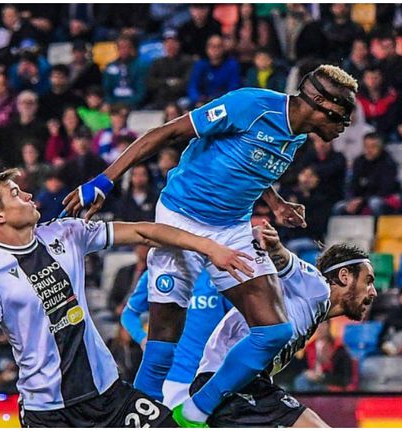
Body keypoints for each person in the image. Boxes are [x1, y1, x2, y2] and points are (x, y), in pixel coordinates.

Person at [61, 65, 359, 426]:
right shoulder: (250, 105)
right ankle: (137, 420)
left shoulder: (296, 136)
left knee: (274, 329)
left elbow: (250, 166)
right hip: (180, 216)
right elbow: (168, 132)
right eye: (343, 114)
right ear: (318, 102)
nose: (345, 125)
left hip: (232, 226)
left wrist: (276, 204)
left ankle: (195, 411)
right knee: (163, 337)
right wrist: (105, 181)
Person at [0, 169, 252, 427]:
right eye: (16, 194)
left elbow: (143, 232)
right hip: (49, 413)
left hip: (108, 394)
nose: (29, 194)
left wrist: (208, 247)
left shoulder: (66, 233)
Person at [179, 222, 376, 427]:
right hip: (230, 385)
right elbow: (285, 261)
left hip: (236, 384)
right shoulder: (317, 286)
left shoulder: (311, 313)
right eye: (368, 280)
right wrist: (274, 246)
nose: (373, 292)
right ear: (344, 276)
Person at [122, 269, 231, 407]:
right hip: (171, 378)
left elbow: (236, 318)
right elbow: (129, 314)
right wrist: (143, 339)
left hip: (211, 377)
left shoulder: (216, 272)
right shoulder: (156, 271)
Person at [333, 133, 401, 217]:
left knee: (375, 203)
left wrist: (363, 199)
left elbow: (385, 190)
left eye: (373, 147)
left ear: (381, 147)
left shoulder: (388, 163)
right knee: (338, 207)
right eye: (366, 146)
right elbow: (352, 184)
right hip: (360, 199)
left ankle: (376, 229)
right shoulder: (359, 161)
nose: (369, 150)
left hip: (381, 199)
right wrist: (351, 200)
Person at [293, 321, 354, 392]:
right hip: (311, 382)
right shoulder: (310, 348)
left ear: (328, 326)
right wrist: (308, 373)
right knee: (300, 380)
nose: (319, 328)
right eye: (317, 325)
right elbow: (302, 367)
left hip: (329, 384)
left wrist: (322, 377)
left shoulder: (339, 349)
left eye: (322, 325)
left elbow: (343, 379)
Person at [187, 35, 241, 106]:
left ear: (223, 48)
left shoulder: (232, 65)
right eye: (212, 46)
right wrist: (197, 100)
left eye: (219, 46)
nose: (215, 50)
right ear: (207, 48)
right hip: (202, 103)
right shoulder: (200, 64)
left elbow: (234, 88)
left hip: (224, 103)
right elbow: (192, 86)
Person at [146, 29, 194, 109]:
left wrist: (164, 84)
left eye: (173, 42)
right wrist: (167, 82)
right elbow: (150, 82)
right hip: (161, 100)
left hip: (181, 99)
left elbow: (187, 82)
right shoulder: (157, 63)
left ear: (179, 44)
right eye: (167, 43)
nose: (170, 46)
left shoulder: (187, 62)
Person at [103, 35, 147, 109]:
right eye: (121, 47)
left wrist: (126, 104)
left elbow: (141, 91)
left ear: (131, 49)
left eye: (126, 47)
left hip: (133, 104)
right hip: (114, 104)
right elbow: (106, 89)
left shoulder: (140, 66)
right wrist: (111, 102)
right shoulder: (110, 66)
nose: (123, 50)